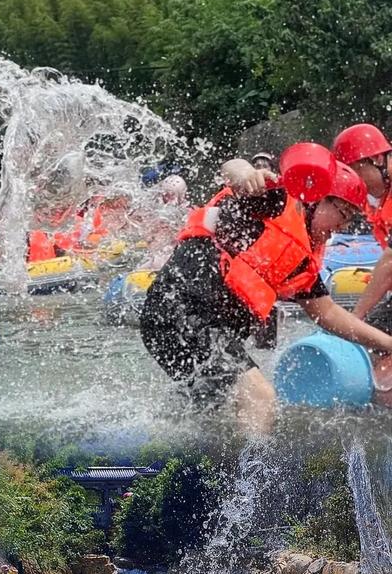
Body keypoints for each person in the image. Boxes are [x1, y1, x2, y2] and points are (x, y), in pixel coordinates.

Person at [140, 152, 392, 432]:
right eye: (343, 214)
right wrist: (247, 173)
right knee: (260, 396)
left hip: (193, 328)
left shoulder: (303, 261)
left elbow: (329, 313)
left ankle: (182, 458)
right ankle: (251, 475)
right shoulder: (275, 200)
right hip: (180, 310)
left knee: (210, 416)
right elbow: (232, 167)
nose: (340, 229)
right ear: (316, 197)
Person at [332, 123, 392, 331]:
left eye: (355, 172)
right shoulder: (378, 199)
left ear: (377, 160)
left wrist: (355, 319)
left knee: (373, 343)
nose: (355, 182)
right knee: (371, 341)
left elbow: (390, 265)